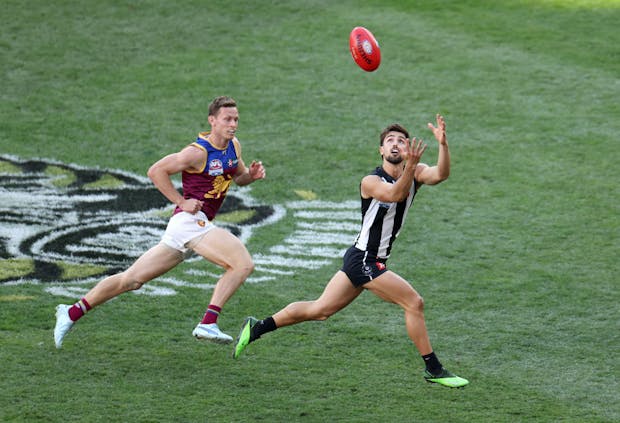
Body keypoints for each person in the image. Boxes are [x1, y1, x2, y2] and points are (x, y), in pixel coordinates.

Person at [233, 114, 468, 388]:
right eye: (389, 140)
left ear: (406, 149)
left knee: (320, 310)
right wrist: (411, 166)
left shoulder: (415, 172)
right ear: (380, 150)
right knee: (414, 302)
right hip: (364, 260)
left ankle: (256, 327)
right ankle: (434, 368)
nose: (395, 144)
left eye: (401, 141)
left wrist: (443, 144)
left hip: (363, 258)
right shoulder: (370, 181)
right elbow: (395, 195)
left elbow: (441, 174)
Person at [54, 96, 266, 348]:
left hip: (189, 228)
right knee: (242, 264)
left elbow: (238, 176)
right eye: (227, 119)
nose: (233, 124)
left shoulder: (234, 146)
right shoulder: (196, 152)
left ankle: (71, 312)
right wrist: (181, 200)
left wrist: (250, 176)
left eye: (236, 119)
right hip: (190, 222)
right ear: (212, 120)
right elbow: (156, 171)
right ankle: (208, 322)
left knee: (131, 280)